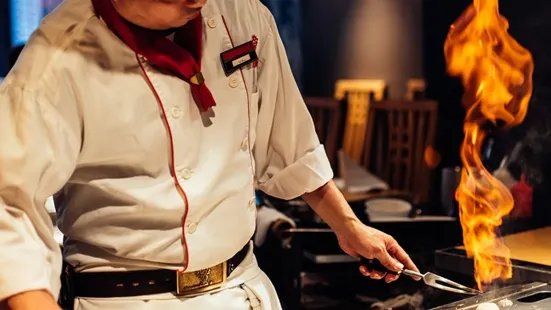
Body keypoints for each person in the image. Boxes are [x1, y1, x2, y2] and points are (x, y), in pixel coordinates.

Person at [0, 0, 419, 309]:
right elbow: (10, 209)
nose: (198, 1)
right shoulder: (54, 61)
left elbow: (288, 141)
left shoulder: (243, 16)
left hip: (243, 289)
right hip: (128, 300)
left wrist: (348, 226)